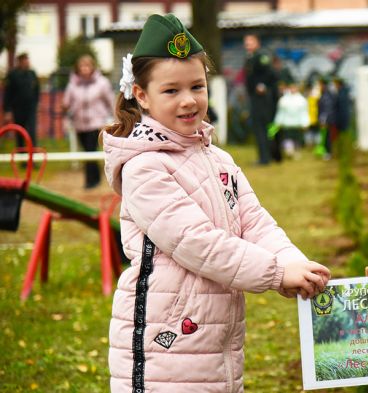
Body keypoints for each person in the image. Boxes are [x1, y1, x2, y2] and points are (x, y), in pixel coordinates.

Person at [101, 14, 330, 392]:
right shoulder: (143, 168)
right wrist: (275, 274)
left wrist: (293, 262)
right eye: (171, 91)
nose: (189, 100)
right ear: (141, 95)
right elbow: (199, 242)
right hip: (164, 347)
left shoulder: (219, 159)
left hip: (216, 341)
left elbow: (256, 223)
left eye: (197, 86)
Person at [62, 54, 114, 188]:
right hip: (79, 124)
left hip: (97, 123)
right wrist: (65, 108)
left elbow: (110, 101)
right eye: (81, 66)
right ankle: (95, 178)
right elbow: (67, 102)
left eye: (87, 66)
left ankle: (90, 181)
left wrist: (114, 118)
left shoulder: (102, 82)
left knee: (91, 150)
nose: (84, 69)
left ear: (92, 67)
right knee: (87, 152)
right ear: (77, 69)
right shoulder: (73, 84)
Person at [243, 34, 276, 165]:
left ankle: (265, 158)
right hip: (254, 98)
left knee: (261, 128)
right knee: (258, 128)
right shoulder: (249, 58)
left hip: (262, 99)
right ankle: (264, 157)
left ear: (257, 43)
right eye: (246, 43)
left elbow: (270, 74)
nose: (247, 45)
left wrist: (262, 85)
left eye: (250, 42)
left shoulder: (261, 57)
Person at [3, 52, 40, 148]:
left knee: (32, 132)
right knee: (20, 132)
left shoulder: (32, 74)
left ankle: (32, 155)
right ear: (19, 61)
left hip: (30, 108)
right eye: (24, 60)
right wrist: (7, 110)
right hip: (18, 109)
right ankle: (21, 155)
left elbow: (36, 90)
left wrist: (36, 103)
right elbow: (8, 94)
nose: (27, 62)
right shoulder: (12, 75)